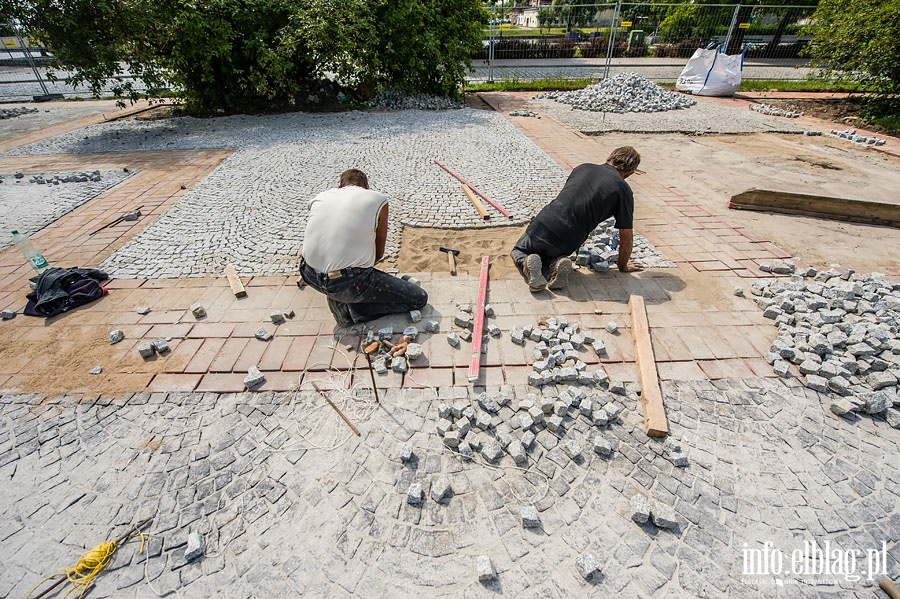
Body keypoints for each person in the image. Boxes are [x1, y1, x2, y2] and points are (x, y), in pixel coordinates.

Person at [300, 169, 428, 327]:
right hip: (347, 282)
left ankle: (338, 294)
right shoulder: (378, 199)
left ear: (339, 187)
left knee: (348, 275)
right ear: (367, 187)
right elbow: (378, 254)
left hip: (308, 274)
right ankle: (353, 312)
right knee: (419, 298)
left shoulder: (321, 197)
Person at [510, 146, 644, 292]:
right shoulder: (623, 190)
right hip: (571, 239)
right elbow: (626, 236)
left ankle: (526, 262)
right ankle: (556, 263)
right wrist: (623, 266)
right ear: (629, 173)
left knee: (519, 250)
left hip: (544, 224)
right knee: (553, 252)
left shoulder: (583, 168)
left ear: (609, 158)